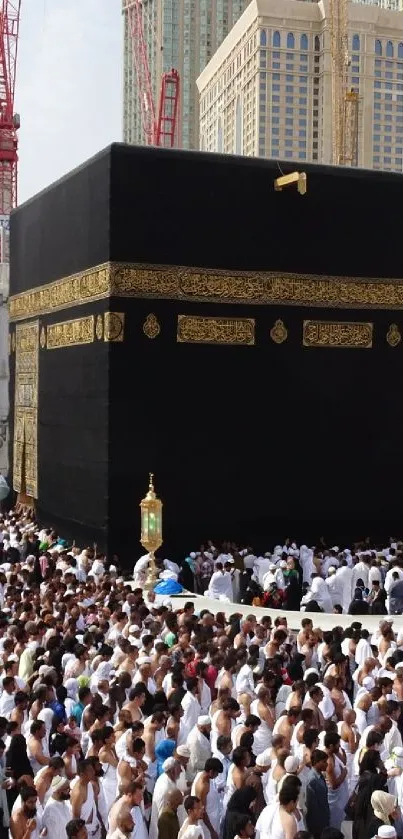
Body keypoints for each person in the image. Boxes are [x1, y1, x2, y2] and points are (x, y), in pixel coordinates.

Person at [306, 750, 330, 839]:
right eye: (324, 762)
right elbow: (312, 806)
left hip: (323, 819)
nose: (326, 764)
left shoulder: (320, 776)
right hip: (317, 823)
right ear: (316, 762)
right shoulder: (312, 780)